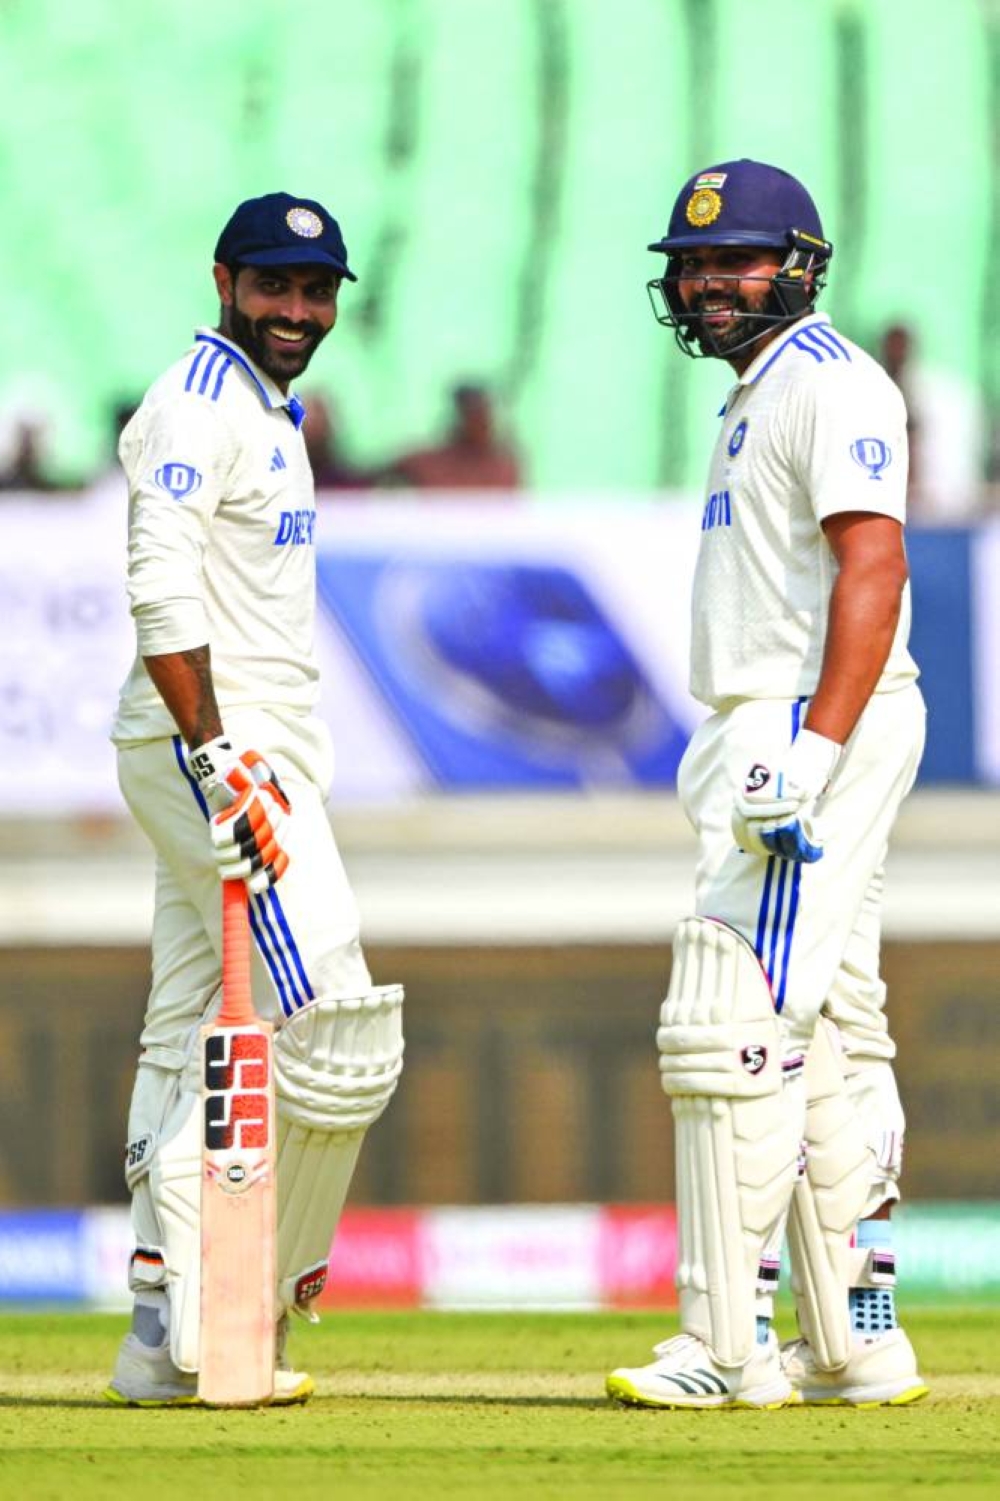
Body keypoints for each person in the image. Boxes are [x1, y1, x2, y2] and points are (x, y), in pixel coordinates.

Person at [606, 160, 928, 1410]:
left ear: (798, 262)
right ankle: (857, 1339)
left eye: (733, 260)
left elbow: (875, 569)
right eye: (690, 264)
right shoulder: (762, 389)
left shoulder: (835, 384)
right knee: (837, 1027)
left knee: (734, 1017)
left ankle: (726, 1344)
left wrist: (812, 749)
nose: (705, 284)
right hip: (780, 717)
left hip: (804, 720)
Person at [105, 192, 404, 1406]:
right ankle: (235, 1304)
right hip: (219, 753)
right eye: (275, 287)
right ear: (225, 278)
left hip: (233, 747)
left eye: (317, 291)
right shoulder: (195, 402)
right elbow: (160, 589)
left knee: (188, 1024)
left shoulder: (268, 409)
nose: (297, 312)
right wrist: (221, 756)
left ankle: (154, 1328)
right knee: (335, 1029)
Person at [383, 382, 522, 490]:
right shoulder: (428, 463)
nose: (481, 422)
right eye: (472, 414)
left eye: (484, 413)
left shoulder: (505, 467)